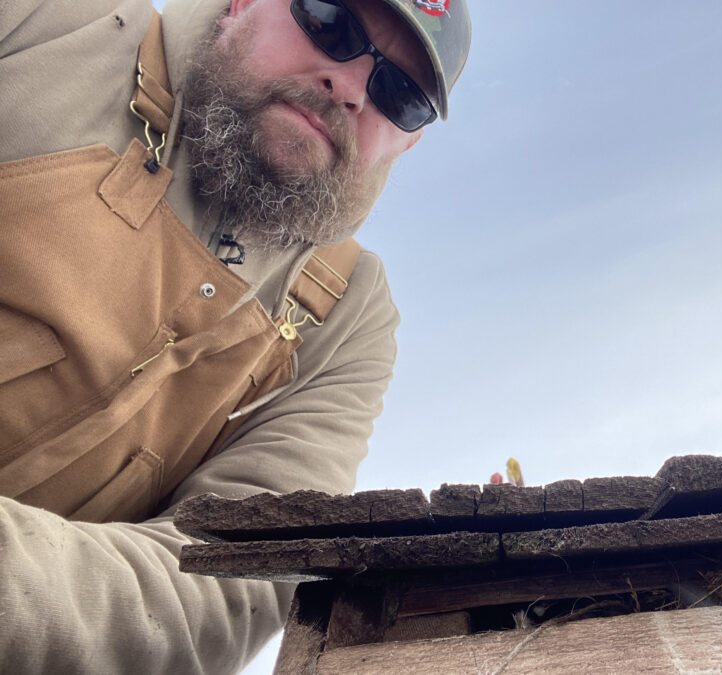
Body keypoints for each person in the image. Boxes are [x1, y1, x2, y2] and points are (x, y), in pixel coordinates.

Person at [0, 0, 470, 671]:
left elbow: (225, 583)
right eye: (328, 20)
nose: (352, 85)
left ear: (410, 140)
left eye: (402, 93)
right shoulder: (48, 24)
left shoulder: (350, 321)